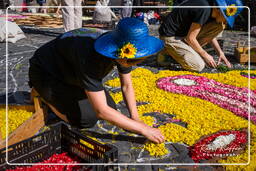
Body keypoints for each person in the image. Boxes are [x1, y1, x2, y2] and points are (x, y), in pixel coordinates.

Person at [29, 18, 165, 144]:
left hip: (73, 72)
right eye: (133, 61)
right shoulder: (92, 58)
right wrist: (143, 129)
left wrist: (135, 119)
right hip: (48, 72)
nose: (134, 64)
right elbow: (101, 111)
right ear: (122, 56)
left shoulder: (122, 47)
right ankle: (42, 95)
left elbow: (127, 86)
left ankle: (66, 94)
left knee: (112, 109)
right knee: (85, 120)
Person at [157, 0, 243, 72]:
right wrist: (205, 54)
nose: (226, 21)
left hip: (184, 35)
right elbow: (190, 38)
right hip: (170, 37)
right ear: (220, 10)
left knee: (219, 26)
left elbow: (210, 35)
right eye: (226, 18)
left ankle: (186, 51)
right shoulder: (204, 9)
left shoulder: (210, 11)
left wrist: (220, 52)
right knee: (198, 65)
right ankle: (166, 52)